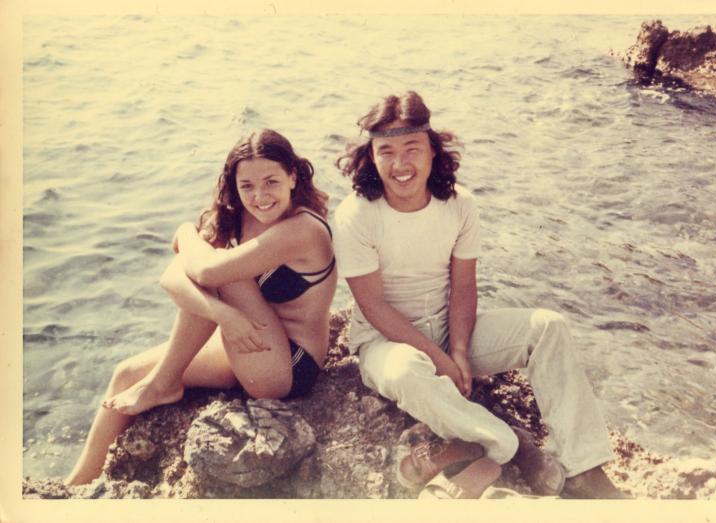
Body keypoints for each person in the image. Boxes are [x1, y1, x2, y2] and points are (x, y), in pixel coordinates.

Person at [333, 91, 624, 499]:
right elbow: (373, 307)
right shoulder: (356, 214)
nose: (400, 165)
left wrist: (459, 351)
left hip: (449, 329)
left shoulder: (460, 205)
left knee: (547, 327)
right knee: (405, 372)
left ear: (433, 150)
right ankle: (508, 443)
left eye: (412, 149)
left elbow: (464, 286)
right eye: (387, 152)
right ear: (371, 156)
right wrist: (439, 360)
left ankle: (583, 467)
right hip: (385, 343)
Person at [65, 129, 336, 485]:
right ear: (234, 186)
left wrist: (184, 233)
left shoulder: (304, 229)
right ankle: (75, 486)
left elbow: (206, 272)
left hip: (289, 367)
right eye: (247, 186)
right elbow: (172, 278)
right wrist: (221, 314)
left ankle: (163, 382)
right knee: (127, 374)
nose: (260, 197)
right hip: (249, 341)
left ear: (293, 176)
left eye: (271, 182)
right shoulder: (241, 217)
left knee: (221, 271)